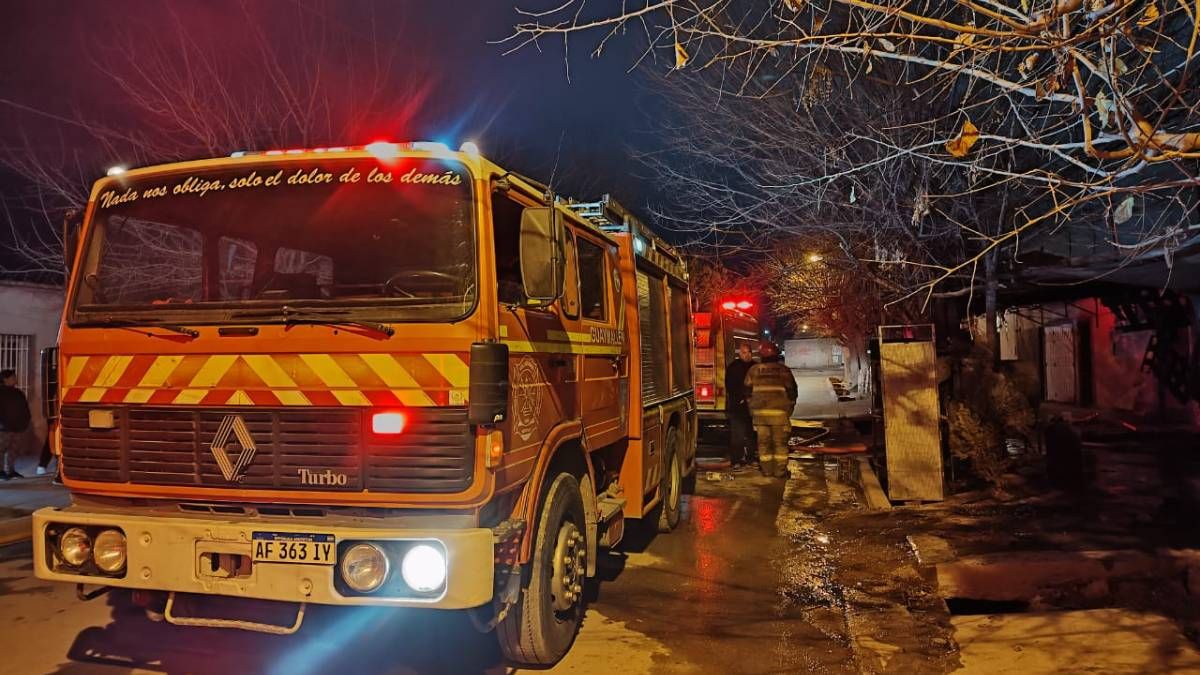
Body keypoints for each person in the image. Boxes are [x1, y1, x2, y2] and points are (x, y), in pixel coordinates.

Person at [744, 342, 798, 478]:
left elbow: (746, 392)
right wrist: (789, 408)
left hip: (760, 415)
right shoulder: (784, 370)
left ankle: (767, 471)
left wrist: (752, 408)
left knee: (763, 444)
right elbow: (792, 392)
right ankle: (780, 472)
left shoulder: (754, 370)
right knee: (780, 445)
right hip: (780, 414)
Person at [724, 344, 756, 467]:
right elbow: (730, 386)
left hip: (752, 406)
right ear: (739, 353)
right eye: (744, 352)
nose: (746, 355)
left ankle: (751, 458)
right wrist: (740, 399)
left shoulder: (755, 367)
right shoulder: (733, 368)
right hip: (738, 407)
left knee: (751, 434)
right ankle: (736, 459)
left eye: (748, 352)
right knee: (737, 435)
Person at [0, 369, 31, 480]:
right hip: (4, 428)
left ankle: (10, 471)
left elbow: (25, 408)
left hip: (18, 428)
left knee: (13, 450)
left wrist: (26, 421)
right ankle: (1, 471)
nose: (15, 379)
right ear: (5, 379)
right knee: (1, 450)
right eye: (13, 377)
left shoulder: (18, 393)